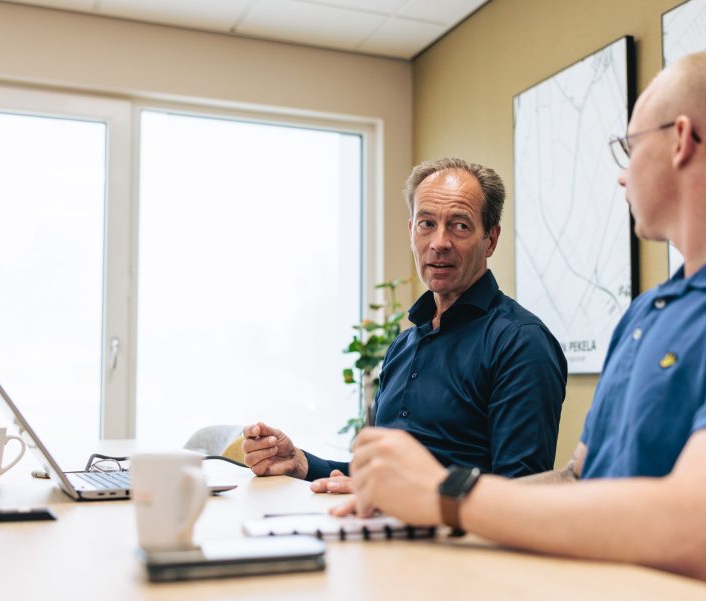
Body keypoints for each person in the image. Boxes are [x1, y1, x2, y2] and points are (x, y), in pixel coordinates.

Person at [342, 50, 706, 601]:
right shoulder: (651, 311)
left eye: (630, 146)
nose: (623, 173)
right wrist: (410, 508)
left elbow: (702, 529)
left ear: (681, 141)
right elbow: (581, 479)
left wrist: (449, 494)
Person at [243, 158, 568, 492]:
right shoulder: (403, 345)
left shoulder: (521, 343)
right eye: (427, 223)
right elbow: (380, 476)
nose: (439, 242)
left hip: (458, 545)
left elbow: (522, 494)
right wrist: (301, 463)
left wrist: (405, 495)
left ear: (491, 239)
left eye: (460, 225)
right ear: (411, 231)